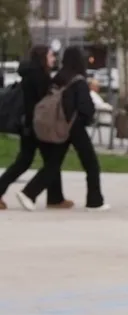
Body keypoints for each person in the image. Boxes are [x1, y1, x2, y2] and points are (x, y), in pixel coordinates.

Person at [14, 46, 108, 211]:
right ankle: (94, 201)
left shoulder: (58, 78)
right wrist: (88, 119)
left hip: (60, 125)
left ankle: (29, 193)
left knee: (53, 163)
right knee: (91, 164)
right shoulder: (78, 81)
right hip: (76, 127)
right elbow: (85, 107)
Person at [0, 45, 70, 211]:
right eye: (51, 55)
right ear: (42, 57)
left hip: (28, 125)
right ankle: (55, 198)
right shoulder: (39, 76)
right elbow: (43, 102)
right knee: (48, 161)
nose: (53, 59)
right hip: (36, 126)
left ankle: (56, 197)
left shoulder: (30, 74)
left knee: (36, 160)